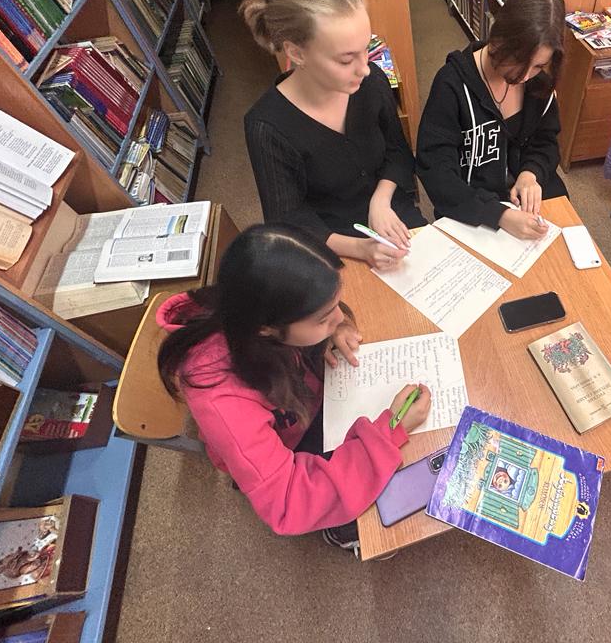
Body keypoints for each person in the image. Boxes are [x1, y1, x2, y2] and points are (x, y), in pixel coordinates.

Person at [156, 223, 431, 550]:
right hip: (290, 447)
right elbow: (289, 500)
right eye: (323, 318)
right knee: (400, 486)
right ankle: (341, 533)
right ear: (266, 329)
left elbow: (318, 317)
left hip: (307, 399)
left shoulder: (255, 305)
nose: (338, 318)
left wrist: (333, 327)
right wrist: (389, 431)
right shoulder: (222, 400)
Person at [241, 0, 425, 272]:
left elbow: (397, 152)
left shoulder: (371, 82)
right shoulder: (267, 126)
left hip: (391, 214)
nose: (364, 68)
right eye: (345, 59)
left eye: (366, 49)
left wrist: (380, 201)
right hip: (329, 242)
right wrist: (360, 248)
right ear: (296, 53)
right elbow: (289, 221)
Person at [417, 0, 568, 240]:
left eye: (538, 66)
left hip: (528, 201)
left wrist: (531, 173)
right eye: (519, 61)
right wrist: (498, 214)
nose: (524, 76)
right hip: (473, 208)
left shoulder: (539, 83)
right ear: (499, 38)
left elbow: (546, 142)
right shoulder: (451, 84)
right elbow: (436, 170)